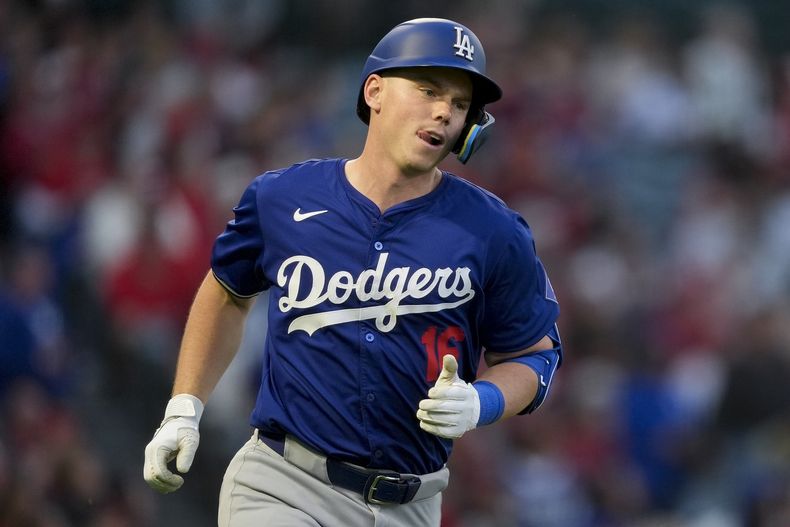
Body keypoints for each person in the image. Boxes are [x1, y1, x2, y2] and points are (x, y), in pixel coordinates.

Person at [143, 17, 563, 526]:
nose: (443, 112)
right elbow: (228, 292)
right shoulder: (282, 198)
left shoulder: (494, 231)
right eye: (429, 89)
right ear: (375, 91)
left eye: (458, 104)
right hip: (283, 486)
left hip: (411, 504)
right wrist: (184, 409)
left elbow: (534, 359)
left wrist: (483, 400)